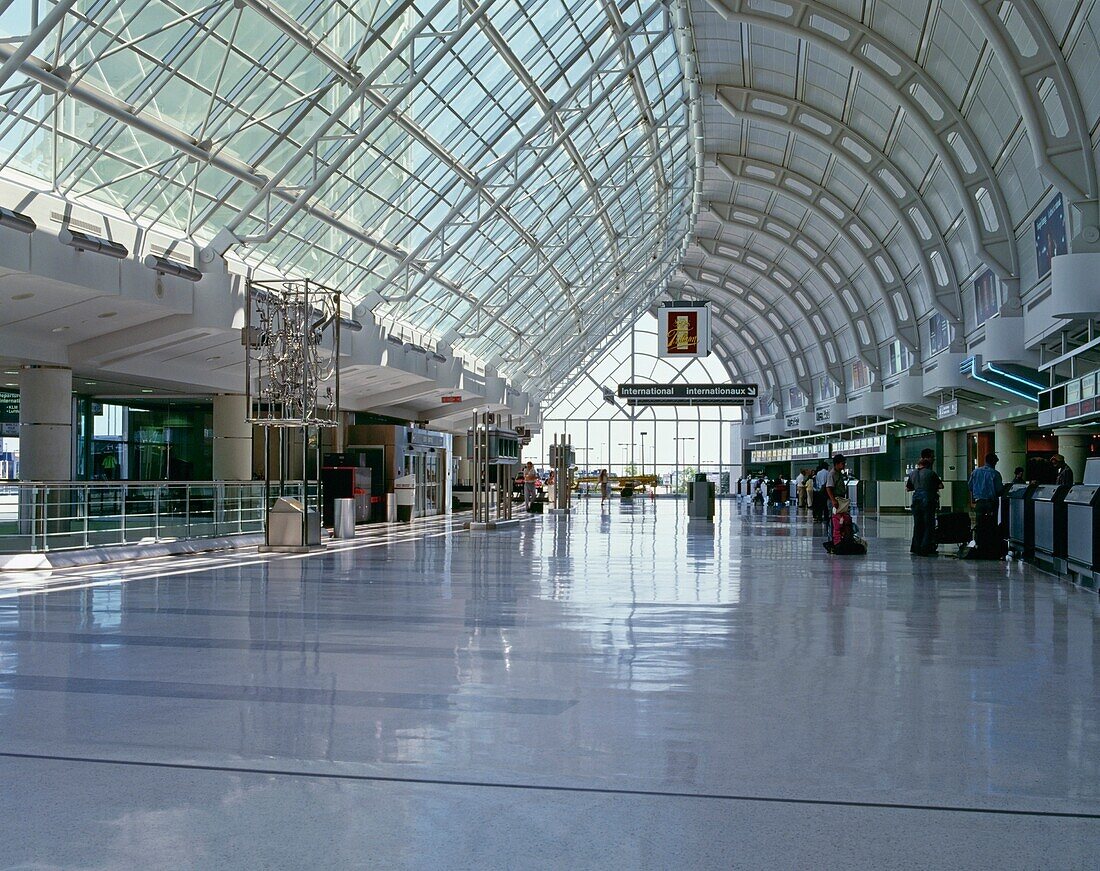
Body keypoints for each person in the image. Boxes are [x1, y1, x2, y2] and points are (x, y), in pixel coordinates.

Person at [906, 448, 943, 556]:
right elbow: (940, 485)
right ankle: (926, 547)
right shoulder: (931, 473)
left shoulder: (912, 474)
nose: (934, 459)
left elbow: (908, 488)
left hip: (916, 500)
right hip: (928, 500)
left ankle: (916, 547)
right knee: (928, 524)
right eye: (932, 457)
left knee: (918, 524)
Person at [968, 452, 1004, 557]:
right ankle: (989, 547)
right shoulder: (995, 474)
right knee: (991, 524)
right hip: (991, 503)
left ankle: (979, 545)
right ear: (994, 462)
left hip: (979, 502)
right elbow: (999, 490)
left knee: (979, 524)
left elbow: (970, 486)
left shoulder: (975, 472)